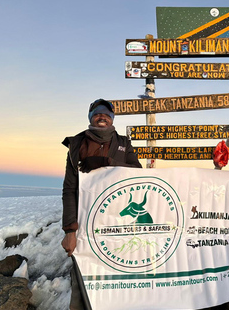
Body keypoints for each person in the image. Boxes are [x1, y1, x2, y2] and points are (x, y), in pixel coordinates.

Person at [61, 98, 142, 309]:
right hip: (85, 224)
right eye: (96, 112)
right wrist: (70, 230)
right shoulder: (77, 144)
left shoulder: (124, 143)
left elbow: (138, 175)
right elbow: (69, 189)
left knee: (119, 280)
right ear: (90, 117)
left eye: (106, 113)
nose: (101, 115)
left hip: (118, 223)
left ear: (112, 118)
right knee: (82, 284)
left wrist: (108, 165)